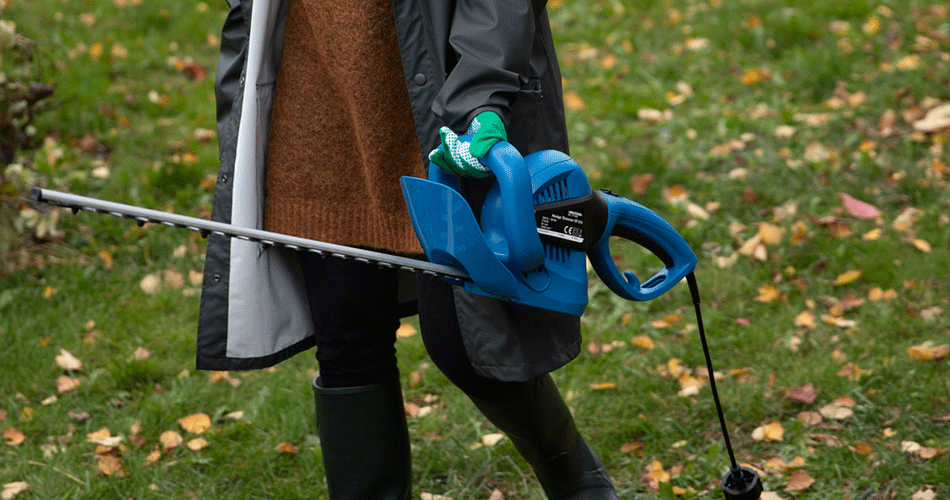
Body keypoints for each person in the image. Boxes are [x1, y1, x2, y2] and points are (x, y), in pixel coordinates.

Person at [196, 0, 620, 499]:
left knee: (468, 346)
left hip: (438, 107)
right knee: (347, 336)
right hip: (312, 108)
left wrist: (480, 95)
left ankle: (579, 484)